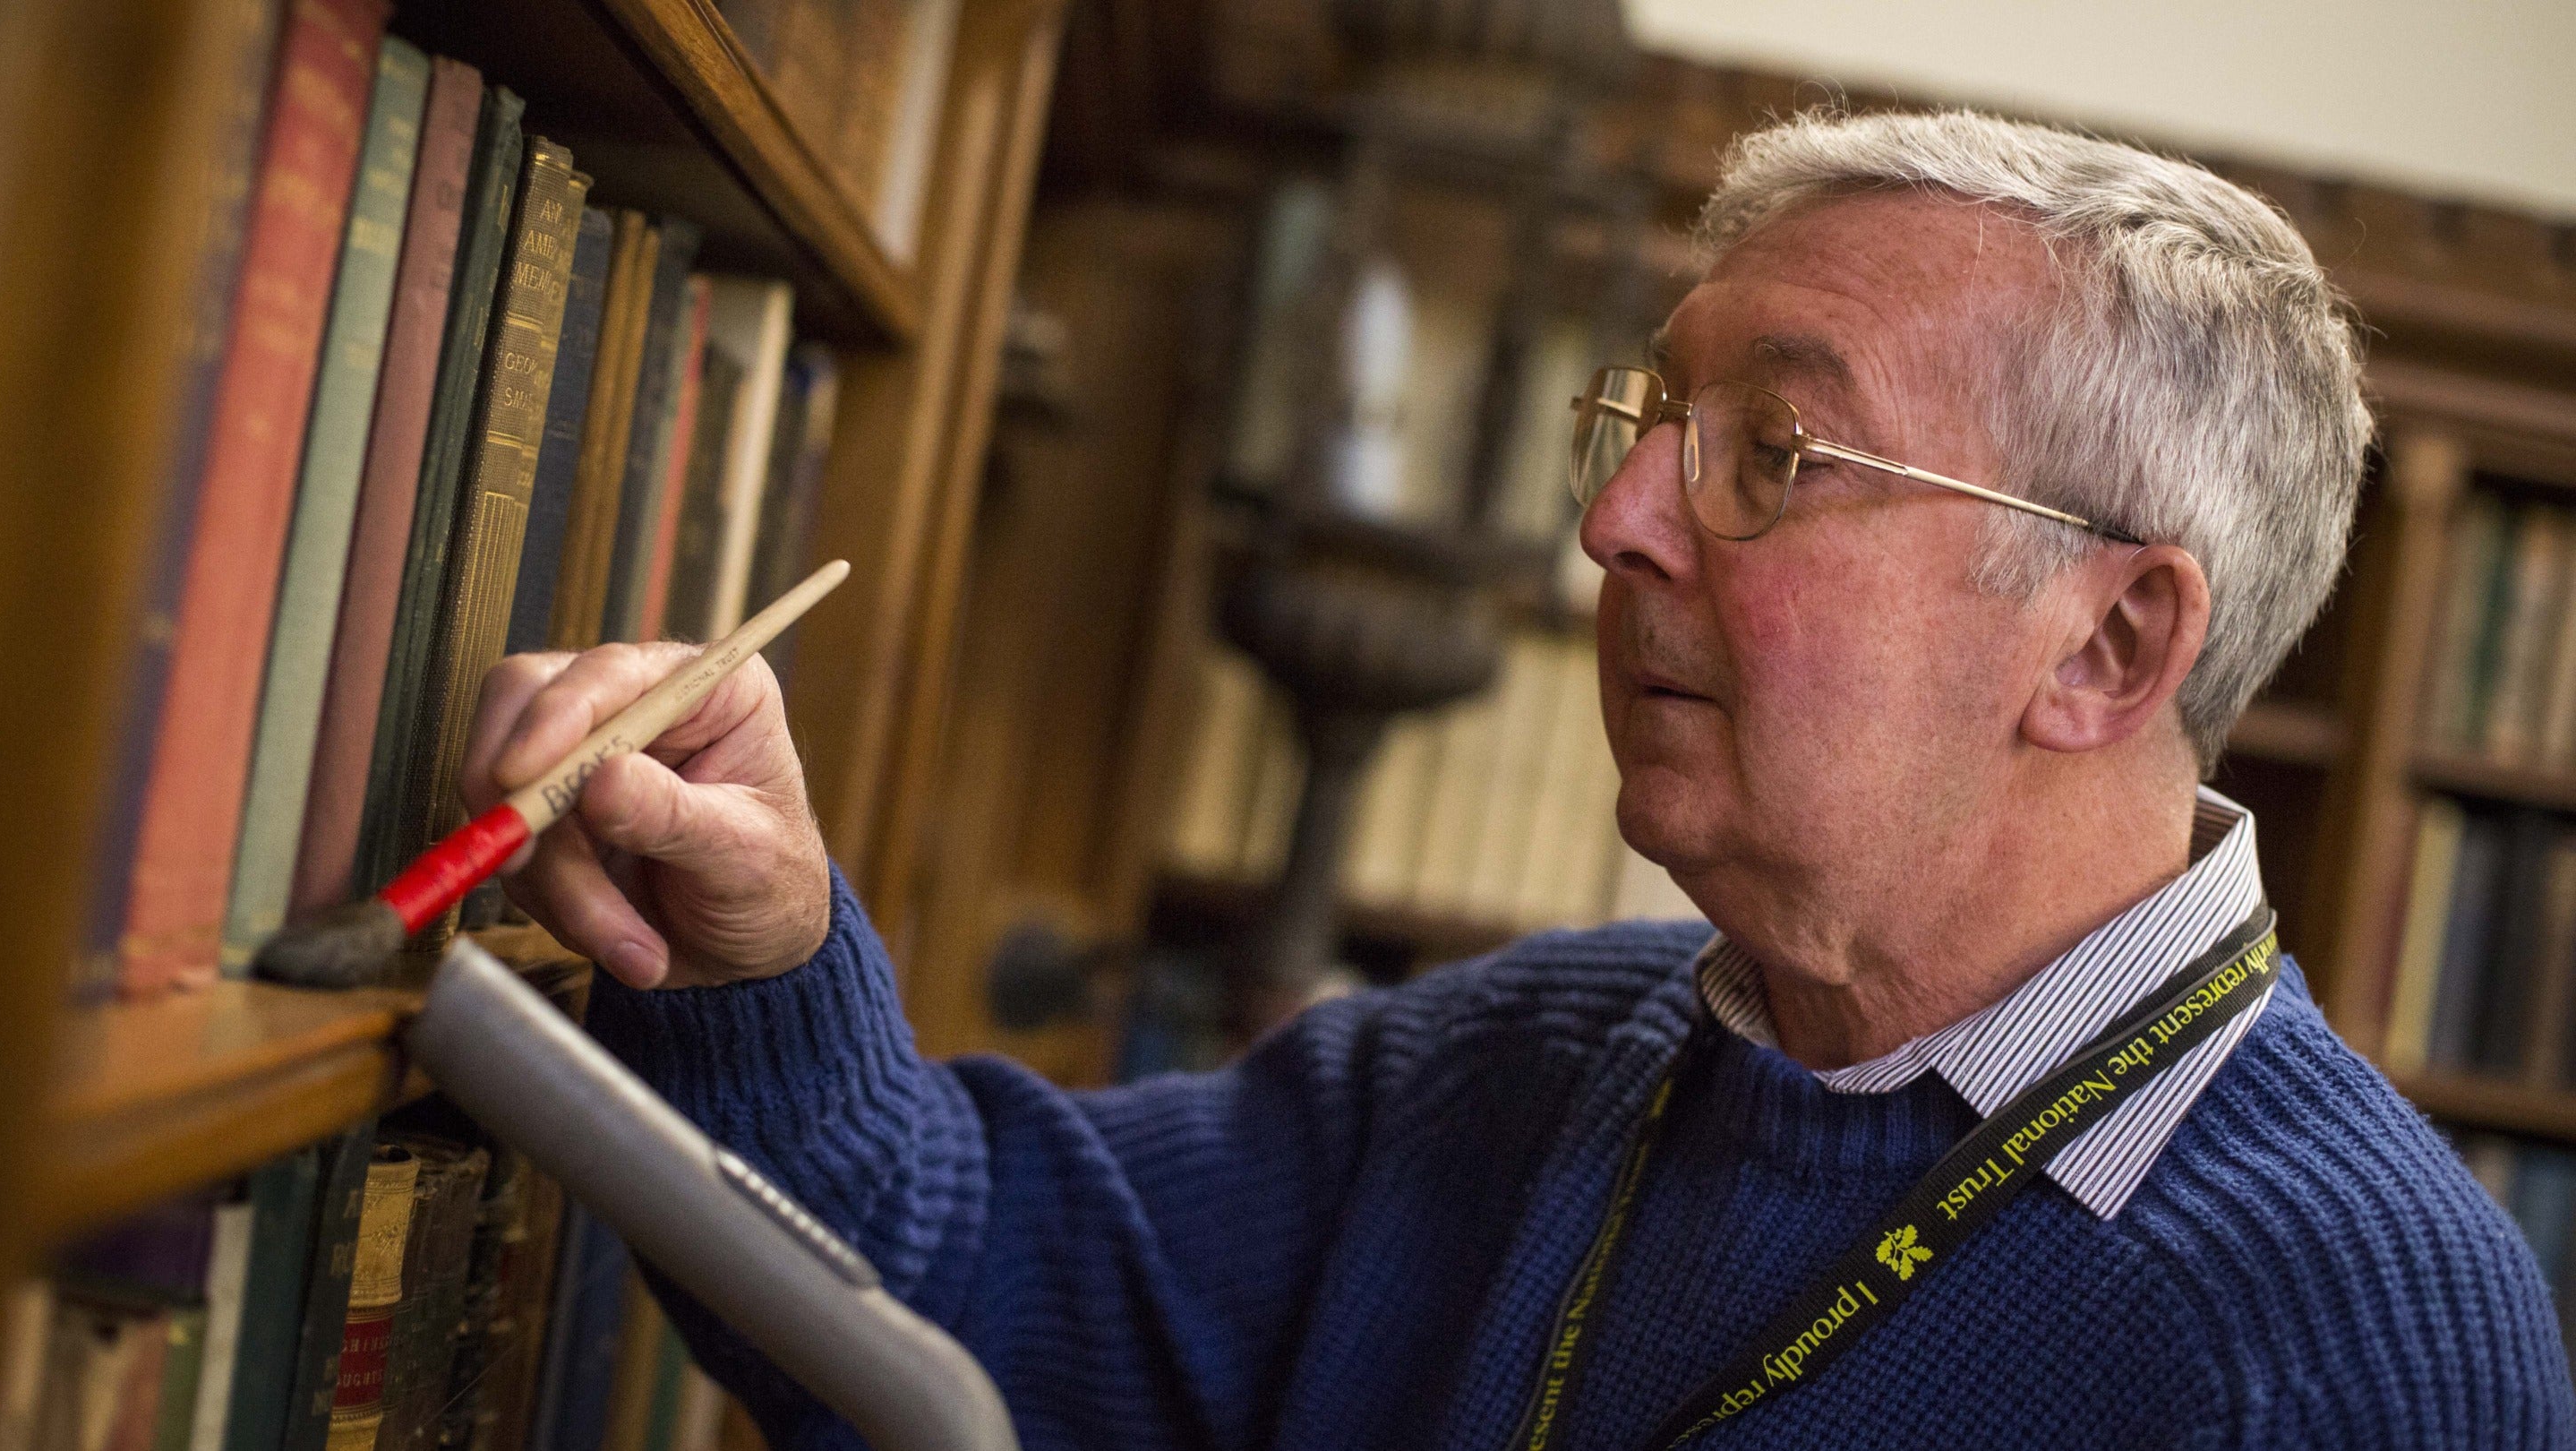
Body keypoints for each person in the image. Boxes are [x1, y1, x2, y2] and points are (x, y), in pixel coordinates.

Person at [463, 110, 2576, 1449]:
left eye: (1774, 455)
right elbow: (950, 1291)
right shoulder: (1534, 1055)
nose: (1619, 523)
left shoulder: (2358, 1349)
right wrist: (756, 957)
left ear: (2107, 644)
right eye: (1650, 419)